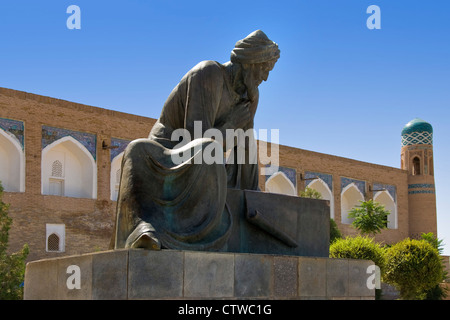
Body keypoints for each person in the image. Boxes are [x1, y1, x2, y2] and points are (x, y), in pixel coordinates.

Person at [111, 30, 280, 251]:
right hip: (168, 154)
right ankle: (143, 230)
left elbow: (245, 144)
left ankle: (213, 230)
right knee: (137, 150)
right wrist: (230, 125)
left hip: (207, 161)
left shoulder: (251, 95)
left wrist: (252, 196)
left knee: (228, 150)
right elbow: (194, 140)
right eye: (264, 68)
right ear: (250, 62)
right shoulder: (208, 74)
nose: (265, 77)